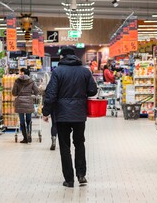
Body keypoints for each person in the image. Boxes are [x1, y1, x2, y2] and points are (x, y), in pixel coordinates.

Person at [42, 46, 98, 188]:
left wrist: (45, 112)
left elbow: (51, 94)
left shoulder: (58, 72)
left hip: (62, 115)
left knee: (65, 147)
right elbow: (92, 91)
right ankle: (81, 175)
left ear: (63, 57)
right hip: (79, 114)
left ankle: (69, 179)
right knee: (79, 143)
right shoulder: (85, 71)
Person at [12, 68, 39, 144]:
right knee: (29, 120)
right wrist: (31, 93)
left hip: (20, 102)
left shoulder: (17, 81)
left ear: (22, 73)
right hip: (29, 102)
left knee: (22, 120)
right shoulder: (31, 81)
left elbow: (14, 93)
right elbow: (37, 91)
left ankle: (25, 138)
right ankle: (29, 134)